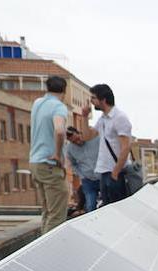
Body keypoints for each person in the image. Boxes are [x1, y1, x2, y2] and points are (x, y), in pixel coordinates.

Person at [78, 84, 132, 205]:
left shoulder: (119, 117)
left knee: (118, 209)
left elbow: (126, 146)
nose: (91, 102)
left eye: (93, 98)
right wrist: (85, 117)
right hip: (105, 171)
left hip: (116, 172)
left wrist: (116, 172)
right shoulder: (103, 118)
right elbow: (87, 136)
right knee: (107, 209)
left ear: (103, 100)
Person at [28, 76, 70, 233]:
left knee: (47, 211)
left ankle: (41, 246)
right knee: (57, 214)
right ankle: (50, 252)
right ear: (64, 91)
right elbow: (59, 130)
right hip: (49, 164)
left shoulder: (37, 103)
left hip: (35, 162)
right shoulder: (59, 107)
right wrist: (57, 154)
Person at [63, 127, 100, 213]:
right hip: (87, 180)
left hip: (102, 177)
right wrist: (81, 175)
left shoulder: (95, 140)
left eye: (77, 139)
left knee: (107, 203)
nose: (77, 142)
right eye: (73, 142)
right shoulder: (69, 149)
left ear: (79, 133)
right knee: (90, 206)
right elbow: (72, 164)